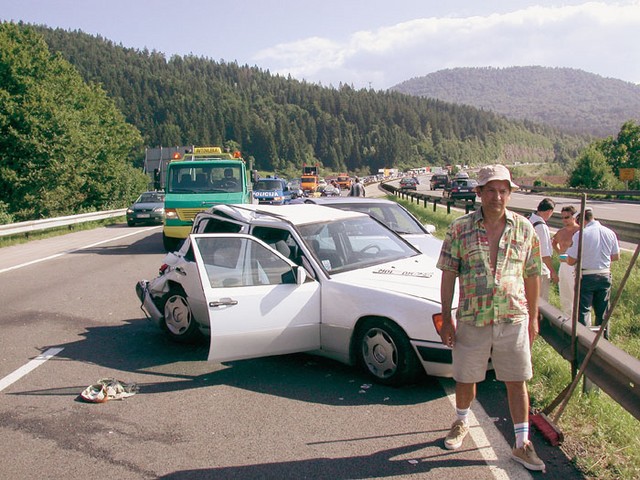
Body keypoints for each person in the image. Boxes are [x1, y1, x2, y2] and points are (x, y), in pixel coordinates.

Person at [436, 164, 545, 472]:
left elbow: (534, 274)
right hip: (472, 317)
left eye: (503, 191)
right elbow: (448, 274)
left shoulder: (524, 228)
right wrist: (446, 316)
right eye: (491, 191)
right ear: (479, 193)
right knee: (466, 377)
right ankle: (461, 422)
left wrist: (534, 316)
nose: (497, 197)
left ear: (509, 193)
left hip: (514, 318)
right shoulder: (460, 228)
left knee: (516, 380)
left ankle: (522, 444)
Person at [566, 207, 620, 338]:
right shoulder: (610, 232)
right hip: (605, 274)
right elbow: (616, 256)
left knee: (583, 310)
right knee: (603, 312)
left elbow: (571, 260)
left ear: (580, 220)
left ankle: (583, 338)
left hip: (587, 276)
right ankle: (603, 340)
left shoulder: (581, 234)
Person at [551, 206, 580, 318]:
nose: (564, 220)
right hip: (563, 264)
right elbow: (554, 242)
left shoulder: (579, 231)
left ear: (573, 217)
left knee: (575, 293)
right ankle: (566, 318)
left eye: (567, 217)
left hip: (575, 266)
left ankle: (579, 320)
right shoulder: (560, 232)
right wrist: (559, 252)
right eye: (562, 218)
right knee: (564, 292)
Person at [528, 198, 558, 300]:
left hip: (527, 267)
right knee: (541, 301)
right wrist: (553, 271)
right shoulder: (541, 226)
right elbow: (545, 254)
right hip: (540, 269)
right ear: (550, 211)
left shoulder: (529, 220)